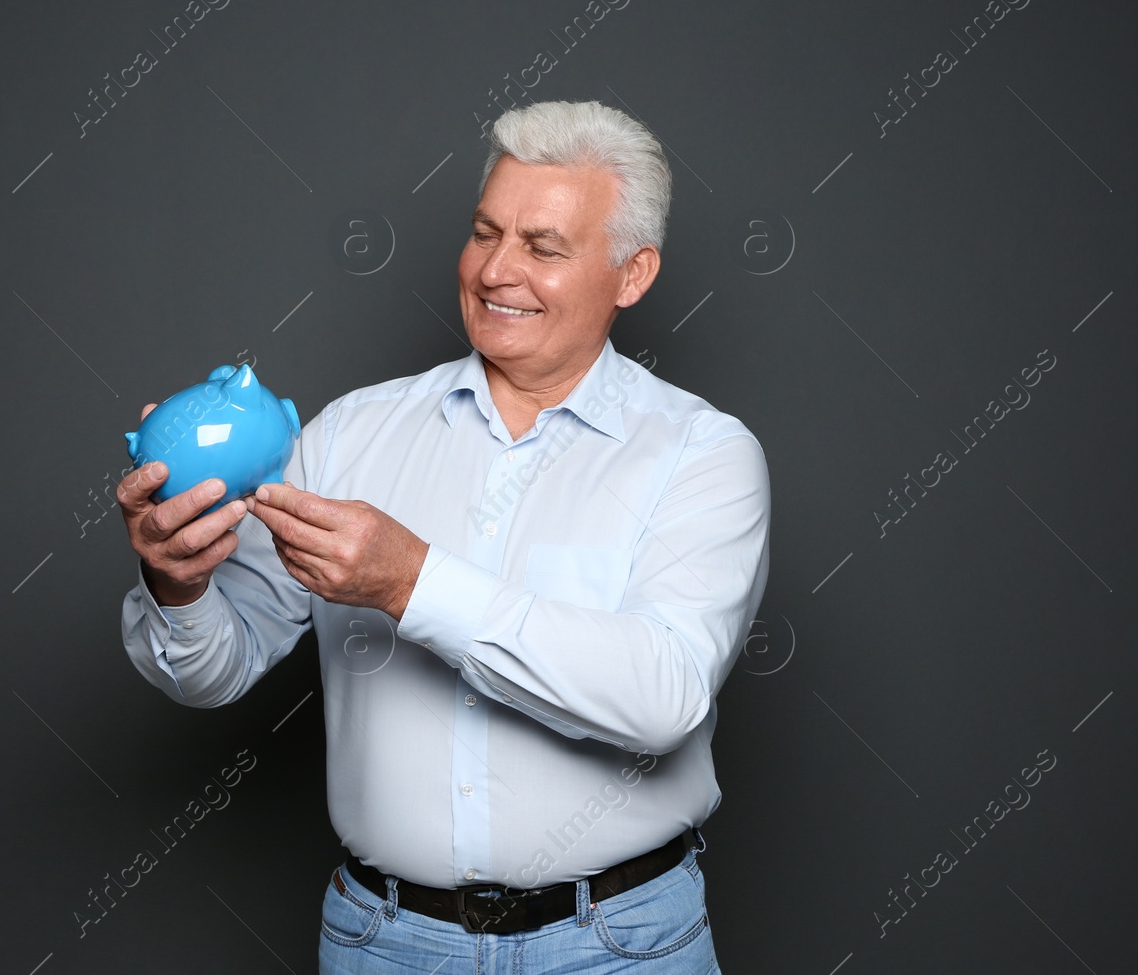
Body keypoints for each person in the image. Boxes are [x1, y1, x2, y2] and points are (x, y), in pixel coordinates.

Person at [116, 99, 770, 973]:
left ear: (632, 273)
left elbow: (662, 699)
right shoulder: (348, 437)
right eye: (484, 231)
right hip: (383, 943)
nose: (497, 270)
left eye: (543, 247)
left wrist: (409, 583)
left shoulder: (704, 456)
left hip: (618, 945)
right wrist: (180, 583)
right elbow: (214, 670)